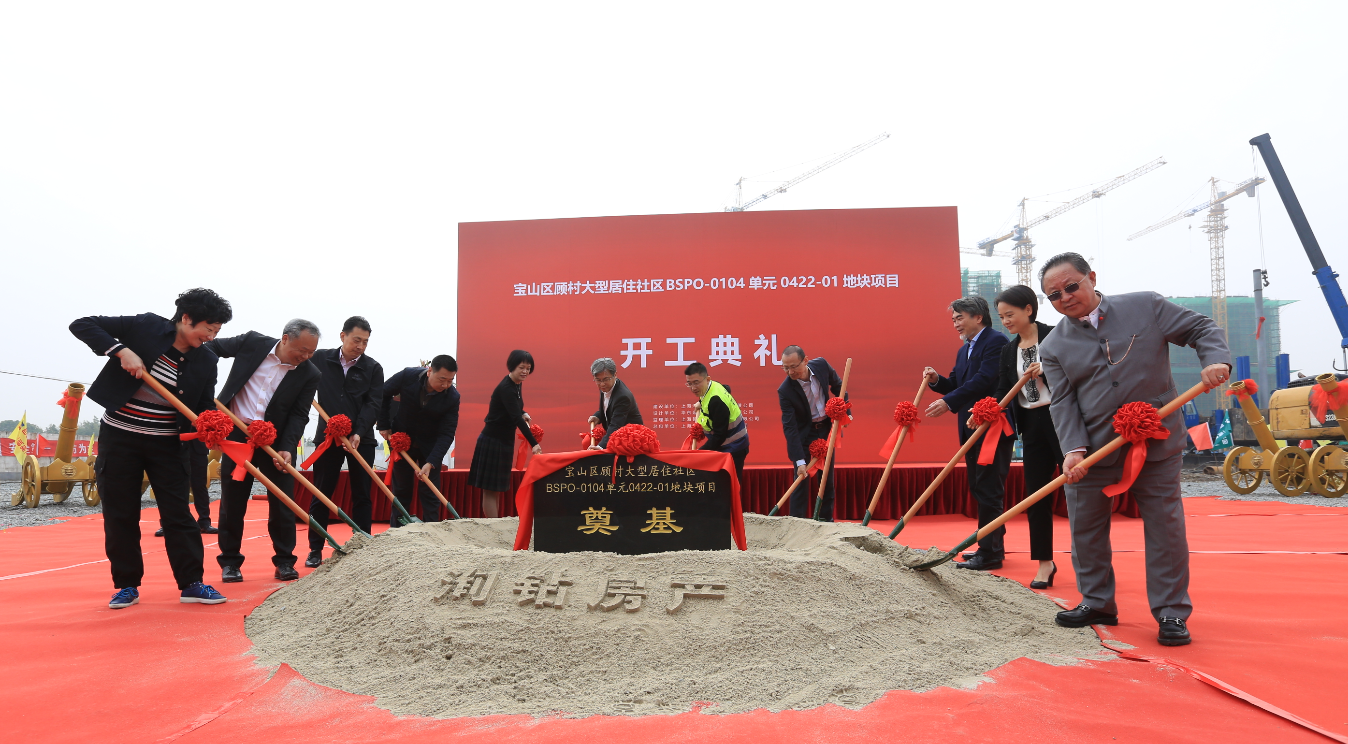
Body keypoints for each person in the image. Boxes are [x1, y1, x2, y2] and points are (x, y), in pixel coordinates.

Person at [1038, 252, 1229, 646]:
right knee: (1085, 529)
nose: (1065, 297)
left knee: (1165, 527)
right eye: (1054, 295)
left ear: (1091, 278)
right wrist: (1073, 449)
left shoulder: (1146, 306)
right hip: (1095, 449)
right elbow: (1062, 402)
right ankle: (1097, 602)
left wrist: (1215, 361)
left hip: (1157, 439)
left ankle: (1171, 611)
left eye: (1071, 286)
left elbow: (1201, 327)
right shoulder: (1053, 345)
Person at [69, 288, 233, 609]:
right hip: (120, 437)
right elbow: (83, 324)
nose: (211, 337)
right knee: (121, 513)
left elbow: (202, 406)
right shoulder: (146, 326)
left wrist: (208, 425)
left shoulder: (206, 360)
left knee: (178, 514)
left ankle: (192, 583)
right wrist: (121, 351)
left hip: (168, 445)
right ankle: (126, 585)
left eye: (216, 332)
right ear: (186, 318)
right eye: (208, 329)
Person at [207, 319, 321, 583]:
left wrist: (287, 448)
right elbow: (210, 348)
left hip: (275, 441)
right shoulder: (252, 343)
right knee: (233, 500)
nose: (305, 356)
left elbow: (299, 415)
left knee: (282, 502)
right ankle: (230, 562)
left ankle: (285, 561)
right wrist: (204, 384)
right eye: (302, 350)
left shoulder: (310, 373)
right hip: (237, 433)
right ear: (285, 338)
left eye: (311, 352)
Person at [923, 295, 1012, 571]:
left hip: (991, 427)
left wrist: (948, 402)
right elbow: (957, 383)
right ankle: (991, 543)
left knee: (989, 487)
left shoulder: (996, 341)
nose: (955, 324)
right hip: (970, 428)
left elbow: (983, 381)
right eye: (953, 319)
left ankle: (991, 552)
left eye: (959, 318)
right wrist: (937, 381)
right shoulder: (965, 350)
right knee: (979, 486)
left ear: (978, 317)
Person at [994, 285, 1061, 588]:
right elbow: (1002, 390)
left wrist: (1045, 371)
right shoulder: (1009, 351)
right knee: (1036, 493)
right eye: (1001, 317)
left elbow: (1078, 373)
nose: (1005, 321)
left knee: (1079, 491)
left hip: (1063, 420)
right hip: (1031, 425)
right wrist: (986, 410)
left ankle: (1090, 558)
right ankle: (1045, 562)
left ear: (1028, 310)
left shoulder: (1056, 335)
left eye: (1010, 314)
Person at [305, 316, 384, 567]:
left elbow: (373, 404)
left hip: (362, 439)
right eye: (356, 340)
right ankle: (315, 549)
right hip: (328, 438)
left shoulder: (373, 368)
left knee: (362, 493)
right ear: (343, 336)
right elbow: (299, 380)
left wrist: (358, 431)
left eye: (365, 342)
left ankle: (362, 545)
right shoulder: (320, 359)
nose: (360, 346)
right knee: (322, 493)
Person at [378, 355, 458, 525]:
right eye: (442, 379)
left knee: (430, 492)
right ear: (430, 371)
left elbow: (447, 433)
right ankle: (398, 531)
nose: (445, 385)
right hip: (402, 441)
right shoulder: (408, 376)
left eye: (450, 381)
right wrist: (384, 424)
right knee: (401, 490)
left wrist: (431, 462)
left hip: (430, 446)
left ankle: (432, 531)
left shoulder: (452, 397)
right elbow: (383, 393)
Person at [777, 346, 846, 520]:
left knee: (826, 480)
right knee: (801, 480)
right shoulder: (785, 390)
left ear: (805, 360)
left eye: (794, 367)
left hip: (826, 429)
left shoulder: (821, 365)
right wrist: (799, 460)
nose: (790, 372)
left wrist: (845, 412)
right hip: (805, 435)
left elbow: (839, 386)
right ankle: (797, 523)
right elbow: (790, 427)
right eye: (785, 368)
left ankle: (825, 522)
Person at [468, 350, 540, 517]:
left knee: (497, 488)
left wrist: (523, 411)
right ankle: (493, 526)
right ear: (512, 366)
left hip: (504, 441)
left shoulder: (516, 384)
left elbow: (514, 408)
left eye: (528, 368)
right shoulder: (506, 387)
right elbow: (516, 418)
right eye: (522, 367)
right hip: (493, 441)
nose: (525, 371)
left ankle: (496, 523)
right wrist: (534, 443)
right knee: (490, 489)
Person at [685, 362, 749, 488]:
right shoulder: (712, 386)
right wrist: (700, 402)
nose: (693, 388)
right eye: (689, 383)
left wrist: (699, 454)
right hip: (726, 445)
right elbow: (727, 388)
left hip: (733, 447)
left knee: (730, 488)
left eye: (696, 382)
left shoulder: (716, 401)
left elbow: (719, 436)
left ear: (707, 379)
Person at [154, 441, 216, 537]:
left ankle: (204, 522)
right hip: (174, 447)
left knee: (200, 485)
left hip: (197, 447)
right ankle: (167, 523)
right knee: (171, 486)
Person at [587, 357, 643, 449]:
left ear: (615, 375)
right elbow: (608, 408)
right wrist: (598, 416)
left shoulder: (623, 397)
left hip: (630, 441)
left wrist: (601, 447)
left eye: (606, 379)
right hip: (616, 435)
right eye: (598, 380)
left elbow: (616, 425)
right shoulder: (606, 387)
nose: (602, 384)